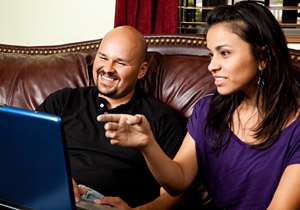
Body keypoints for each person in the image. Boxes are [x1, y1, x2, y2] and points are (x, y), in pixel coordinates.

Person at [98, 1, 300, 209]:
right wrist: (147, 144)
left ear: (263, 57)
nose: (212, 66)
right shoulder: (210, 106)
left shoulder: (297, 126)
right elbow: (179, 180)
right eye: (211, 54)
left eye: (225, 53)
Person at [36, 25, 187, 207]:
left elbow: (174, 194)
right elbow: (27, 149)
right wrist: (56, 176)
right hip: (48, 192)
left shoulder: (163, 120)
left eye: (121, 63)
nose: (107, 69)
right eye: (103, 57)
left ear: (141, 70)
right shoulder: (62, 101)